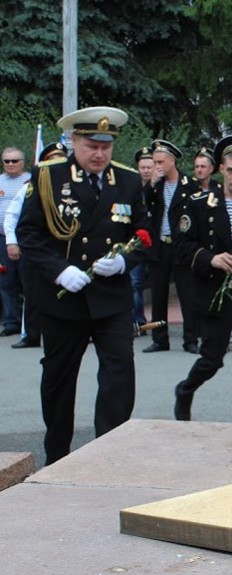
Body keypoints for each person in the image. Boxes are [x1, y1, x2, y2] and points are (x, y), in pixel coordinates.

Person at [17, 106, 149, 464]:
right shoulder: (48, 177)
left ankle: (109, 451)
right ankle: (57, 453)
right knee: (59, 378)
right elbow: (28, 234)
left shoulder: (127, 181)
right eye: (91, 145)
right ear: (74, 140)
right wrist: (59, 270)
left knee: (119, 373)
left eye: (106, 146)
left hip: (111, 298)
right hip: (65, 298)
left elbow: (143, 233)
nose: (99, 154)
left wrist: (123, 261)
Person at [174, 135, 232, 422]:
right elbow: (181, 246)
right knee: (212, 359)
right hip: (219, 293)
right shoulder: (200, 204)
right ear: (221, 169)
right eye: (231, 171)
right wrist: (210, 258)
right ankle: (185, 389)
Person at [4, 143, 67, 348]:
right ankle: (31, 335)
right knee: (32, 291)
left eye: (60, 158)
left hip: (64, 247)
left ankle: (67, 332)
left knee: (66, 291)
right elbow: (12, 215)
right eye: (52, 159)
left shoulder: (73, 185)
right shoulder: (31, 186)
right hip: (36, 247)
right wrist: (12, 241)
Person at [142, 139, 201, 354]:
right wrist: (151, 185)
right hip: (160, 244)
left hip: (181, 246)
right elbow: (142, 205)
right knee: (158, 295)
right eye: (154, 162)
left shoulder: (189, 184)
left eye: (160, 161)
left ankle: (190, 339)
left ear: (171, 161)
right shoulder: (155, 186)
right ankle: (160, 339)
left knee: (187, 294)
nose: (157, 166)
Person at [0, 147, 31, 336]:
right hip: (2, 240)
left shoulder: (31, 181)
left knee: (28, 283)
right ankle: (11, 322)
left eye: (14, 161)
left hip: (27, 240)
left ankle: (29, 325)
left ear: (23, 162)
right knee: (6, 282)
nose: (10, 164)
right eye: (6, 161)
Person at [130, 146, 154, 331]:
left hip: (158, 242)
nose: (146, 170)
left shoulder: (161, 184)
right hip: (137, 240)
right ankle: (138, 320)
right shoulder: (133, 187)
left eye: (149, 167)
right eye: (142, 167)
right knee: (135, 282)